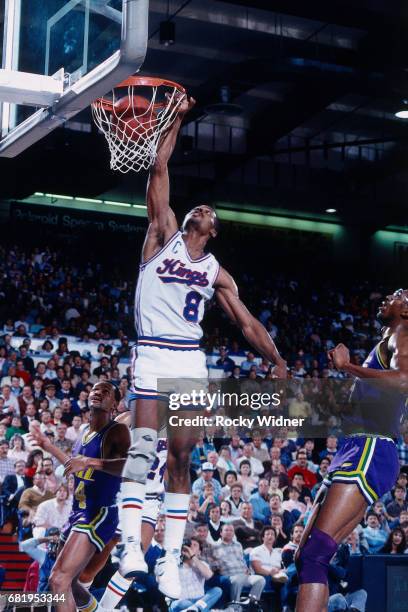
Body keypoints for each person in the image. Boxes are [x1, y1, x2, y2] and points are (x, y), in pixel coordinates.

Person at [119, 95, 286, 600]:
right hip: (151, 351)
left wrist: (275, 358)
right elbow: (159, 164)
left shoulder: (216, 273)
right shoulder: (161, 233)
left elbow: (248, 323)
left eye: (210, 212)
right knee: (144, 447)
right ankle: (132, 546)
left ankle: (169, 560)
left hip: (189, 361)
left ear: (213, 231)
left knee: (181, 457)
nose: (203, 208)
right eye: (200, 206)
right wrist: (177, 116)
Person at [296, 289, 407, 612]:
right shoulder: (386, 342)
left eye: (399, 295)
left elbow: (404, 380)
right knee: (307, 557)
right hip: (357, 447)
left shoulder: (402, 333)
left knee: (315, 555)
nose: (389, 296)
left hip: (371, 447)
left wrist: (349, 367)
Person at [29, 381, 130, 612]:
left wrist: (90, 462)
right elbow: (74, 466)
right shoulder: (84, 431)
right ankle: (97, 610)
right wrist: (48, 446)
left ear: (114, 404)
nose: (98, 393)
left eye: (106, 392)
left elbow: (129, 466)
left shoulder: (116, 430)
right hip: (78, 512)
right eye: (95, 389)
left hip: (99, 512)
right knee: (70, 584)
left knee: (58, 579)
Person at [214, 523, 266, 605]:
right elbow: (214, 564)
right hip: (230, 576)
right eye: (226, 530)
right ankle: (235, 605)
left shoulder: (238, 545)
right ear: (221, 533)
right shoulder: (215, 546)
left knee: (260, 580)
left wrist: (246, 568)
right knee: (238, 580)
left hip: (244, 575)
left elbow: (242, 560)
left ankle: (251, 604)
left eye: (231, 530)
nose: (229, 532)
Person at [169, 537, 222, 612]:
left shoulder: (202, 564)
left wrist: (193, 556)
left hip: (201, 600)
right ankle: (201, 609)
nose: (190, 547)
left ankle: (195, 609)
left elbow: (209, 576)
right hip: (182, 601)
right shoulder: (175, 564)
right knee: (180, 603)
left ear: (199, 552)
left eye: (194, 545)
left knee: (217, 590)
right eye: (189, 545)